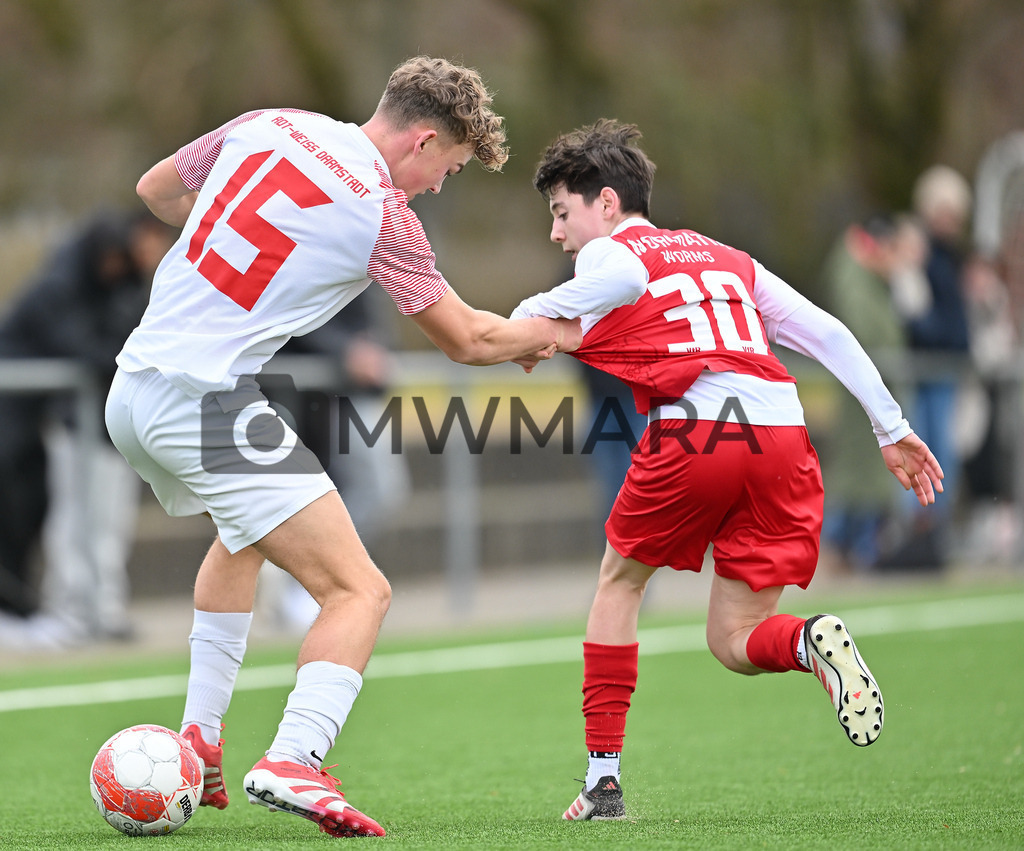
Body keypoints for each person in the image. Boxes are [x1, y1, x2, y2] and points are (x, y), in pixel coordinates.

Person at [105, 56, 581, 839]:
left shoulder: (267, 124)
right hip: (206, 400)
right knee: (360, 591)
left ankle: (199, 737)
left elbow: (156, 190)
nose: (436, 187)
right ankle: (295, 756)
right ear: (423, 140)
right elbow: (468, 337)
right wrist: (558, 332)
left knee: (244, 535)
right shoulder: (381, 212)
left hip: (135, 389)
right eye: (449, 168)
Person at [509, 120, 943, 821]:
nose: (558, 234)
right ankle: (808, 641)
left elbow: (612, 279)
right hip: (780, 431)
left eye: (563, 213)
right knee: (735, 638)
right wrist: (892, 426)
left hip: (698, 430)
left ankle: (604, 780)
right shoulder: (729, 257)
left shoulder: (612, 253)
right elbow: (827, 331)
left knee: (619, 582)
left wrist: (531, 318)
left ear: (608, 204)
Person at [0, 209, 171, 645]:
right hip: (60, 421)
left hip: (106, 424)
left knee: (106, 523)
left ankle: (100, 609)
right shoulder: (61, 286)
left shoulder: (127, 287)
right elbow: (88, 350)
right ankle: (68, 611)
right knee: (67, 519)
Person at [818, 214, 927, 570]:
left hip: (868, 390)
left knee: (867, 477)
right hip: (860, 394)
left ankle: (851, 551)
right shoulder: (854, 272)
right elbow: (865, 328)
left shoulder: (862, 271)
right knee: (856, 477)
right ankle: (841, 551)